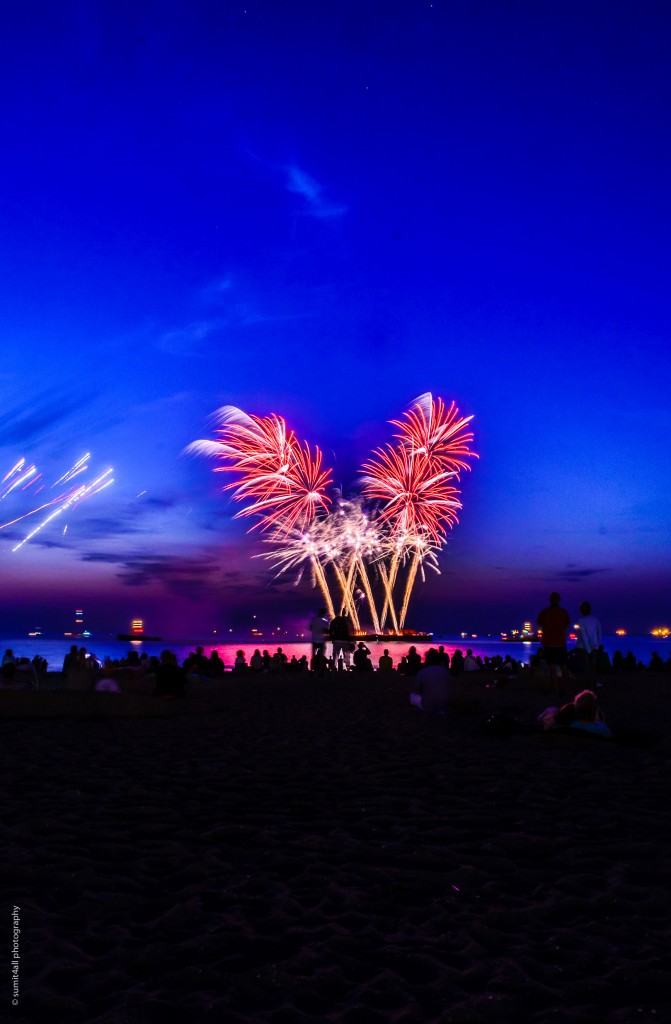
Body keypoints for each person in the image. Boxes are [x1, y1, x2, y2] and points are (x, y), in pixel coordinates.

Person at [537, 592, 571, 695]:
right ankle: (566, 688)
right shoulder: (563, 612)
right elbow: (567, 623)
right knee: (564, 666)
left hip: (548, 642)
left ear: (550, 600)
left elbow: (539, 622)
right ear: (559, 600)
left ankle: (556, 689)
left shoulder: (545, 612)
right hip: (560, 642)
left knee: (552, 667)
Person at [410, 648, 450, 713]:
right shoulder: (445, 671)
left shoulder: (422, 672)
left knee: (412, 695)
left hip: (427, 705)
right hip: (443, 704)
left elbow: (417, 691)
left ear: (427, 659)